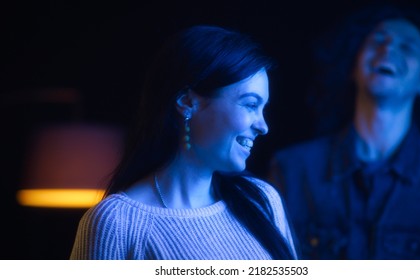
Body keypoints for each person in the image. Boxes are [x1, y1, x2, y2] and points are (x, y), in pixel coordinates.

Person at [70, 25, 297, 260]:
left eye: (263, 108)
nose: (263, 126)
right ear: (187, 102)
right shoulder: (117, 222)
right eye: (250, 104)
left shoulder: (261, 200)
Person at [269, 4, 420, 260]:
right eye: (377, 41)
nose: (388, 49)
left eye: (407, 47)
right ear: (353, 66)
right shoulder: (293, 169)